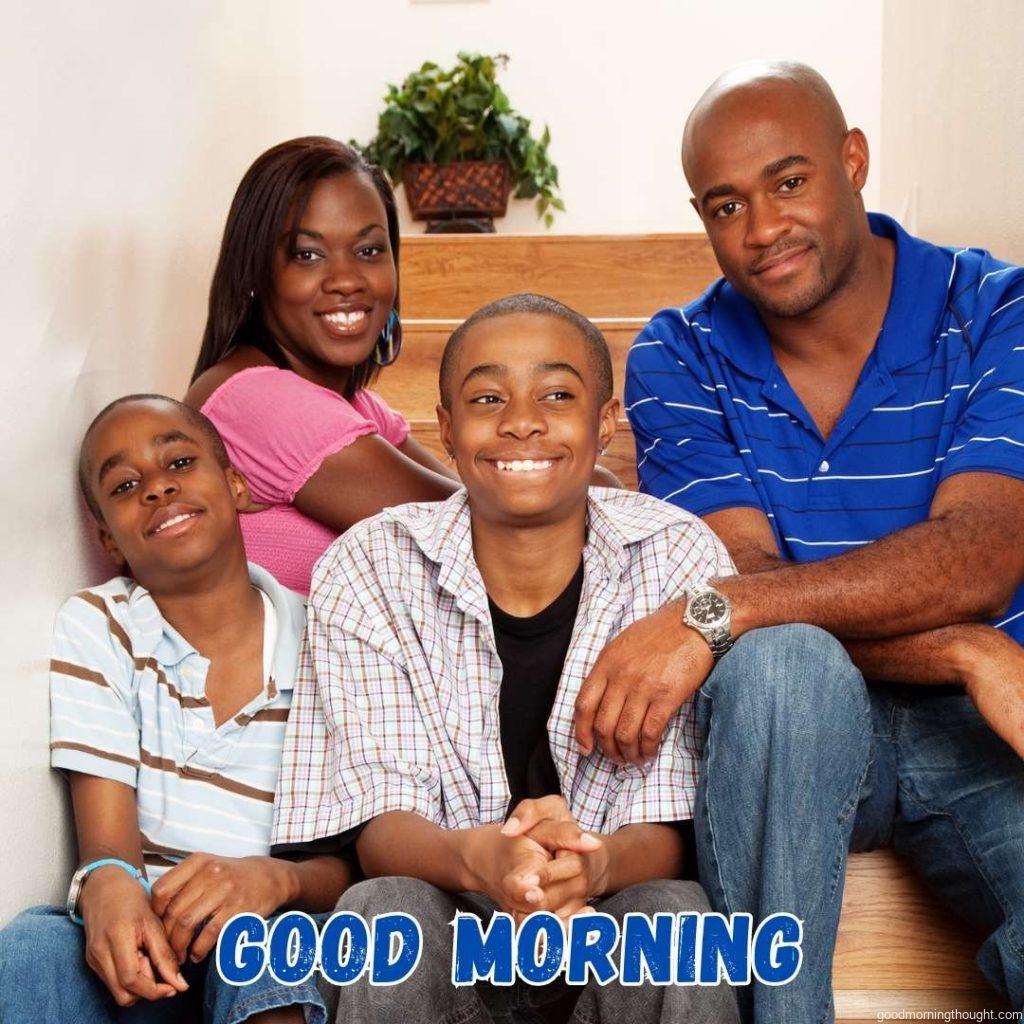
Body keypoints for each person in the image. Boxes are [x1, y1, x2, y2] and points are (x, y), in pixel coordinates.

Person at [571, 61, 1024, 1022]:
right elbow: (750, 585)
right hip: (787, 724)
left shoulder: (997, 309)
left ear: (853, 161)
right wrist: (958, 647)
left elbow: (981, 555)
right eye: (725, 204)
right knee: (784, 669)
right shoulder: (677, 353)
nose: (763, 229)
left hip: (983, 726)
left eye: (789, 181)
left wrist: (727, 609)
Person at [271, 294, 740, 1023]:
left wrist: (596, 864)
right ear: (448, 431)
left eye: (557, 395)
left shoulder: (678, 555)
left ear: (605, 423)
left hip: (610, 913)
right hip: (450, 907)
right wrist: (482, 862)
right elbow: (379, 820)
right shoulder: (370, 565)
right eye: (489, 398)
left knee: (676, 915)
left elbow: (673, 818)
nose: (522, 421)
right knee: (380, 910)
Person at [0, 395, 349, 1024]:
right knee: (31, 947)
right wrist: (108, 882)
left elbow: (359, 860)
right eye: (128, 485)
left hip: (280, 929)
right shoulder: (100, 625)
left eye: (181, 463)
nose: (159, 488)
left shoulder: (331, 641)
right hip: (148, 940)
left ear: (237, 486)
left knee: (260, 950)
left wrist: (274, 882)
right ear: (107, 537)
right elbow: (108, 847)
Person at [184, 136, 460, 596]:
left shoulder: (357, 406)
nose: (347, 280)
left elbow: (479, 504)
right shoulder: (252, 400)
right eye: (307, 254)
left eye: (369, 250)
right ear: (255, 273)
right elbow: (473, 531)